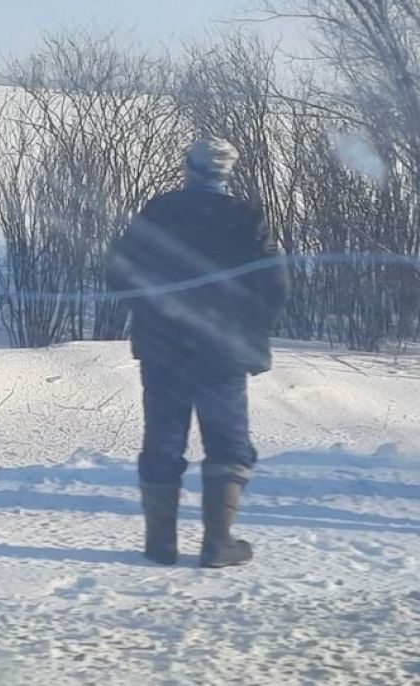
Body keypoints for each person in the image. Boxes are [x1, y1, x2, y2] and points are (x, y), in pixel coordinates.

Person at [106, 136, 290, 568]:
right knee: (227, 444)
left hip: (163, 349)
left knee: (163, 441)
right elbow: (276, 285)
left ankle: (160, 544)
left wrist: (149, 311)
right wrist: (250, 329)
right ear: (226, 174)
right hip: (222, 352)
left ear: (189, 168)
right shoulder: (247, 218)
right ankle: (218, 544)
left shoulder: (159, 211)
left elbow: (118, 269)